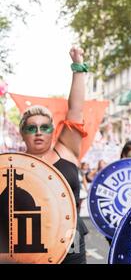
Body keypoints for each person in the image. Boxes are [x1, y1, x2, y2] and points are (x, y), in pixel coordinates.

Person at [18, 47, 88, 264]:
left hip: (71, 240)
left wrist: (78, 67)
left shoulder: (65, 150)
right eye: (31, 128)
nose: (38, 132)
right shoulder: (15, 166)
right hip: (32, 243)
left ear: (52, 131)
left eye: (44, 127)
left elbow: (75, 109)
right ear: (23, 133)